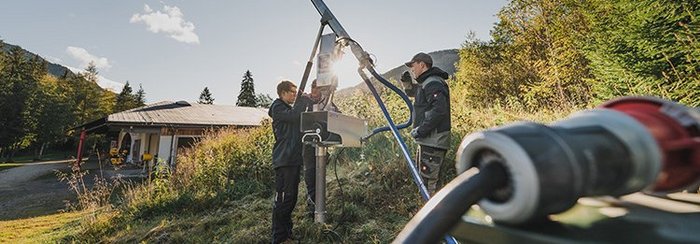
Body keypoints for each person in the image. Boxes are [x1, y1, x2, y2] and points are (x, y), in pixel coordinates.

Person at [401, 52, 451, 196]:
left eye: (413, 65)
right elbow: (415, 94)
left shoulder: (433, 82)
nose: (412, 69)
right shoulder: (426, 83)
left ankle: (434, 215)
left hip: (433, 141)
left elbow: (439, 110)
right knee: (425, 181)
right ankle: (431, 213)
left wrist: (421, 130)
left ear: (422, 65)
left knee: (430, 185)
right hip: (429, 141)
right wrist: (406, 83)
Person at [269, 80, 312, 244]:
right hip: (284, 159)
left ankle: (287, 234)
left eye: (296, 92)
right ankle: (279, 238)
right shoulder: (278, 107)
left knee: (291, 199)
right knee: (283, 200)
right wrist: (301, 100)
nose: (295, 95)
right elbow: (294, 116)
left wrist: (308, 100)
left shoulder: (288, 108)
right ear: (283, 93)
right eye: (292, 92)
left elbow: (299, 117)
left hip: (293, 159)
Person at [301, 79, 340, 219]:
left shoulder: (327, 102)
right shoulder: (305, 101)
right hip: (308, 145)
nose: (315, 91)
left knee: (320, 175)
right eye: (313, 87)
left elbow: (337, 116)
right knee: (310, 175)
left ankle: (319, 204)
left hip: (322, 144)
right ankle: (312, 206)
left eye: (318, 88)